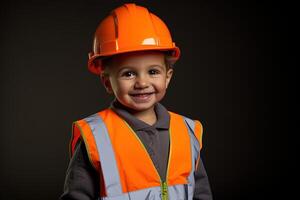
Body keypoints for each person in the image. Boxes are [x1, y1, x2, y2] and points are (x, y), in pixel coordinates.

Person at [60, 3, 213, 200]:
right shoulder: (95, 136)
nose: (142, 82)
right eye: (129, 73)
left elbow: (200, 191)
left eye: (153, 72)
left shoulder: (187, 131)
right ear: (107, 82)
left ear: (168, 76)